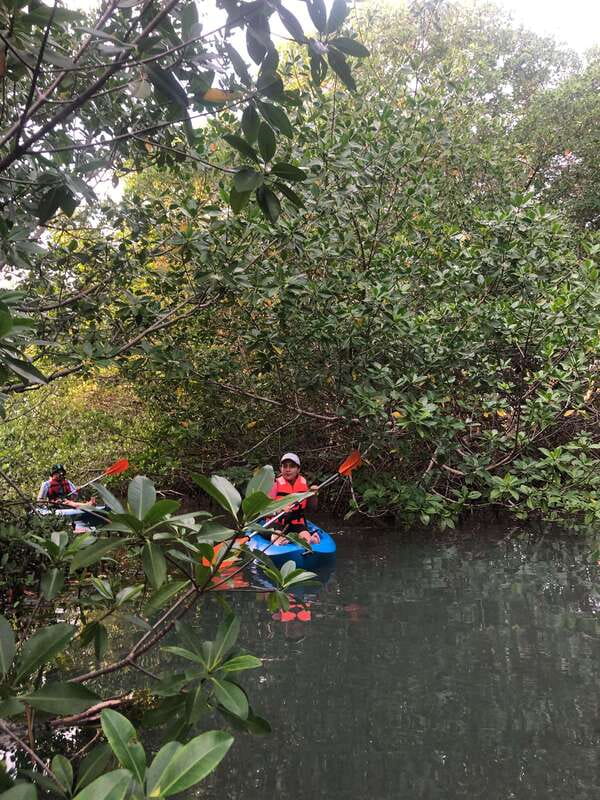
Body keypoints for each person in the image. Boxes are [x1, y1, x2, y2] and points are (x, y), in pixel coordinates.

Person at [267, 452, 319, 546]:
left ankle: (310, 541)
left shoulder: (303, 484)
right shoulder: (274, 484)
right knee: (277, 534)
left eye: (291, 466)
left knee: (305, 536)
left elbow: (312, 509)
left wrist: (313, 495)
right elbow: (263, 511)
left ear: (298, 469)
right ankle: (280, 543)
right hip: (277, 523)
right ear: (280, 469)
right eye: (285, 466)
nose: (287, 470)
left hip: (296, 523)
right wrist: (278, 511)